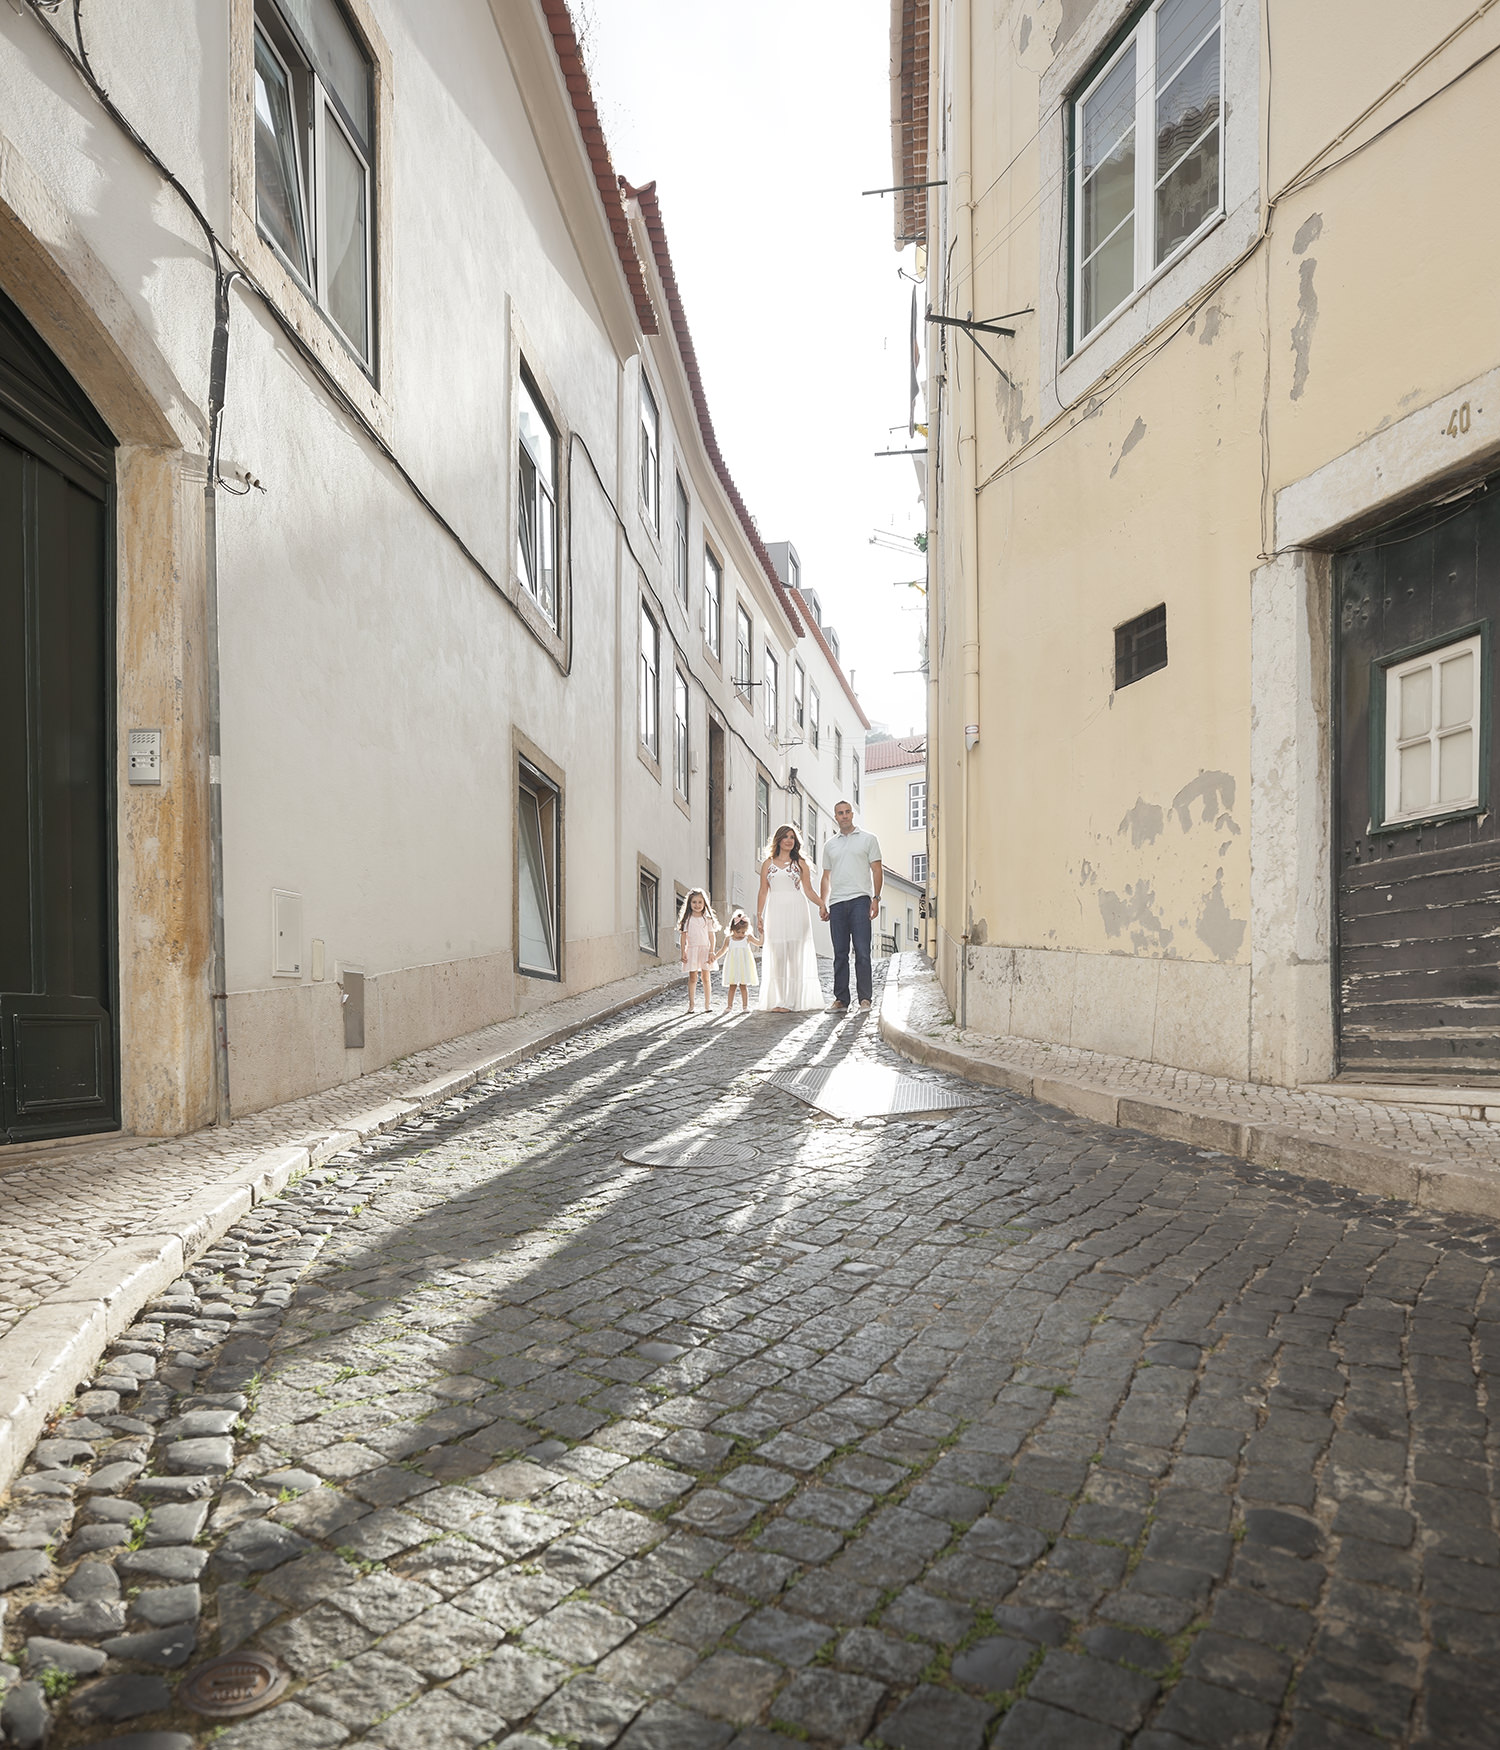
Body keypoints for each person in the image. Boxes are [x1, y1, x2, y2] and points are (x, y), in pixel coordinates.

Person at [818, 800, 882, 1012]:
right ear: (835, 817)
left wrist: (876, 898)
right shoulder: (830, 846)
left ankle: (865, 999)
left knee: (862, 951)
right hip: (837, 903)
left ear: (852, 814)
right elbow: (826, 877)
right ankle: (841, 1000)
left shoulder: (869, 839)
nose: (844, 816)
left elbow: (876, 869)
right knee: (840, 953)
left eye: (847, 812)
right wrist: (823, 903)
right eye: (840, 813)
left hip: (860, 900)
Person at [755, 825, 823, 1012]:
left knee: (794, 957)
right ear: (778, 839)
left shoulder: (800, 863)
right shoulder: (767, 863)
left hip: (796, 910)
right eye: (785, 836)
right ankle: (779, 999)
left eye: (792, 837)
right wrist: (759, 915)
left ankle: (792, 1002)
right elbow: (763, 891)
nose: (788, 840)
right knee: (777, 957)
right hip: (775, 911)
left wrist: (822, 904)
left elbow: (808, 890)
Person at [677, 887, 718, 1013]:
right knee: (693, 977)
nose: (697, 905)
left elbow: (711, 936)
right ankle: (691, 1004)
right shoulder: (687, 920)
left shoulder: (708, 919)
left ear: (704, 903)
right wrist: (683, 951)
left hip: (705, 950)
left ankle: (707, 1004)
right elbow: (683, 937)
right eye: (694, 902)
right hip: (692, 950)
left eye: (700, 902)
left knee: (706, 977)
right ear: (689, 903)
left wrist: (712, 951)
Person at [714, 909, 761, 1013]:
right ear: (732, 929)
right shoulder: (729, 939)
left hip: (744, 965)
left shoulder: (747, 938)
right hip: (733, 965)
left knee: (743, 986)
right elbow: (722, 950)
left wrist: (762, 934)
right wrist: (714, 958)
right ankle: (729, 1006)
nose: (740, 934)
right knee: (732, 986)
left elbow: (759, 943)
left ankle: (745, 1006)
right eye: (738, 931)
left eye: (743, 932)